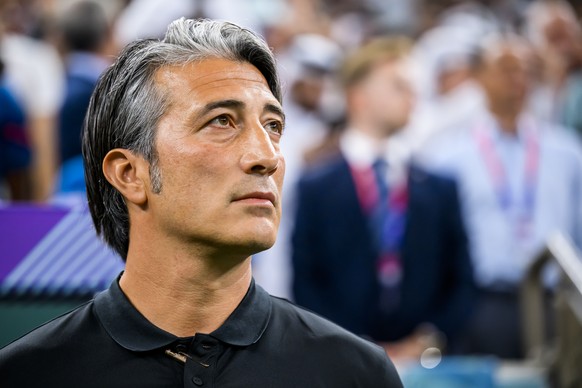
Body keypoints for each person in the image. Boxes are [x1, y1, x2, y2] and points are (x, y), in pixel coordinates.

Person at [0, 18, 402, 387]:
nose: (268, 156)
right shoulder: (28, 375)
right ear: (129, 174)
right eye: (222, 121)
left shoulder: (356, 375)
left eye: (273, 126)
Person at [292, 37, 475, 360]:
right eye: (398, 85)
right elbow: (307, 280)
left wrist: (429, 339)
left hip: (427, 364)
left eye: (413, 86)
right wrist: (355, 346)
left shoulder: (439, 187)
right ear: (358, 97)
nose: (413, 96)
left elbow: (460, 277)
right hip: (342, 362)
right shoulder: (315, 187)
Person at [420, 33, 582, 359]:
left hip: (553, 304)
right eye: (507, 69)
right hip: (481, 303)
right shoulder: (448, 155)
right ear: (478, 77)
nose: (518, 79)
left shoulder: (567, 152)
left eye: (526, 70)